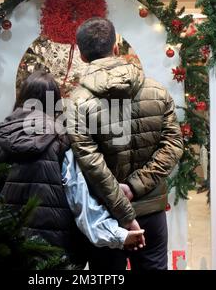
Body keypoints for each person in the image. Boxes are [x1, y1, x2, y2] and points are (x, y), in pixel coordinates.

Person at [0, 71, 144, 267]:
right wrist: (119, 235)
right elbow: (81, 201)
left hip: (8, 250)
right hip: (55, 254)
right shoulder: (61, 141)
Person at [68, 17, 184, 270]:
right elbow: (173, 144)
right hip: (150, 209)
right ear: (116, 48)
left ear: (82, 55)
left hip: (105, 215)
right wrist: (134, 188)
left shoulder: (77, 102)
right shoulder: (157, 90)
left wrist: (123, 212)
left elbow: (91, 165)